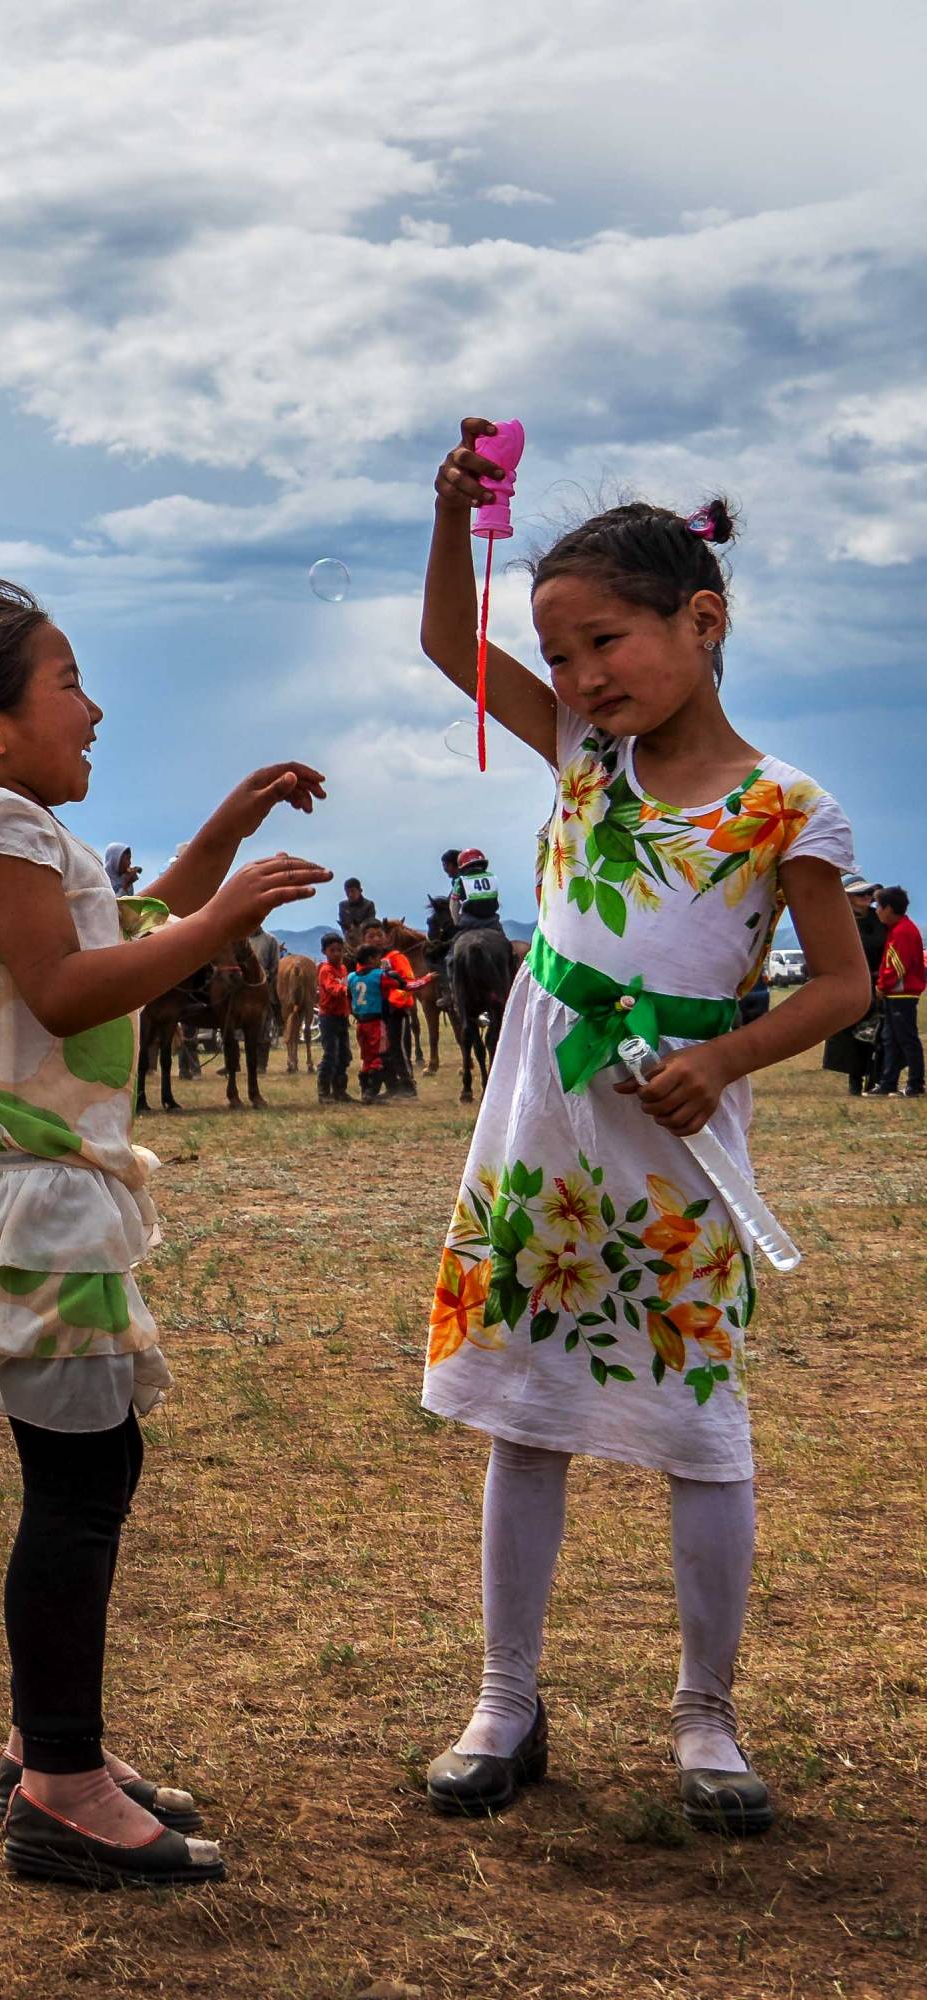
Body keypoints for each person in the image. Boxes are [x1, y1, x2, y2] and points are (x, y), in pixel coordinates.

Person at [0, 570, 328, 1887]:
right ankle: (64, 1783)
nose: (94, 708)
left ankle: (60, 1749)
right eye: (69, 681)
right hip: (36, 1201)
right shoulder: (2, 820)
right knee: (83, 1489)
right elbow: (69, 980)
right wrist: (219, 920)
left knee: (85, 1478)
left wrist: (225, 832)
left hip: (43, 1193)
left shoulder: (20, 829)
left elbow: (130, 936)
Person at [418, 420, 867, 1834]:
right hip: (543, 1133)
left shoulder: (782, 808)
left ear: (703, 617)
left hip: (674, 1144)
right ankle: (505, 1702)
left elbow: (846, 987)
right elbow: (445, 643)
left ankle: (707, 1720)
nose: (580, 677)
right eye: (558, 657)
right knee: (523, 1415)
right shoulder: (577, 761)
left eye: (605, 641)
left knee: (699, 1431)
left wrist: (726, 1053)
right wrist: (450, 521)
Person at [821, 876, 885, 1095]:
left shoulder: (881, 919)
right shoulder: (839, 921)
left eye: (869, 893)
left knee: (879, 1033)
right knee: (851, 1035)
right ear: (847, 897)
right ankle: (855, 1081)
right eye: (861, 894)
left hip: (879, 984)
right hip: (850, 984)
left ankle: (876, 1079)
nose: (867, 897)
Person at [869, 885, 924, 1097]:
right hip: (895, 994)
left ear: (889, 908)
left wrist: (882, 985)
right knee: (890, 1039)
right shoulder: (896, 929)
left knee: (907, 1039)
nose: (877, 911)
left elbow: (898, 965)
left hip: (903, 994)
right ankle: (887, 1083)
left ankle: (915, 1084)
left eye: (879, 907)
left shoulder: (903, 931)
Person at [363, 923, 421, 1097]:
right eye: (371, 936)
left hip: (396, 1011)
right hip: (375, 1013)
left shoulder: (395, 957)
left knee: (399, 1047)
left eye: (379, 935)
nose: (376, 939)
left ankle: (408, 1085)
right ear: (364, 939)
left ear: (386, 937)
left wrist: (394, 1001)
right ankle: (392, 1086)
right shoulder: (363, 962)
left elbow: (407, 981)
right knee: (383, 1050)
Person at [345, 942, 393, 1101]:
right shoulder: (379, 974)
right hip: (375, 1022)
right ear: (371, 959)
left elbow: (349, 998)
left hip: (360, 1023)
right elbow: (400, 984)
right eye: (378, 957)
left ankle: (364, 1089)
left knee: (366, 1058)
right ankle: (371, 1092)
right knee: (380, 1056)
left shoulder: (351, 977)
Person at [315, 934, 353, 1103]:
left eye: (339, 950)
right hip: (328, 1017)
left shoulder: (343, 969)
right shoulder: (325, 970)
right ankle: (323, 1091)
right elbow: (332, 988)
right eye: (332, 950)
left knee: (344, 1054)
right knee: (330, 1054)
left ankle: (340, 1090)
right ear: (324, 952)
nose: (337, 954)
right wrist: (347, 989)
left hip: (341, 1016)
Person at [448, 847, 503, 933]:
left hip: (469, 921)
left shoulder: (460, 880)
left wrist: (456, 922)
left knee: (455, 942)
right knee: (504, 941)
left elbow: (454, 904)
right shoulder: (492, 877)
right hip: (492, 921)